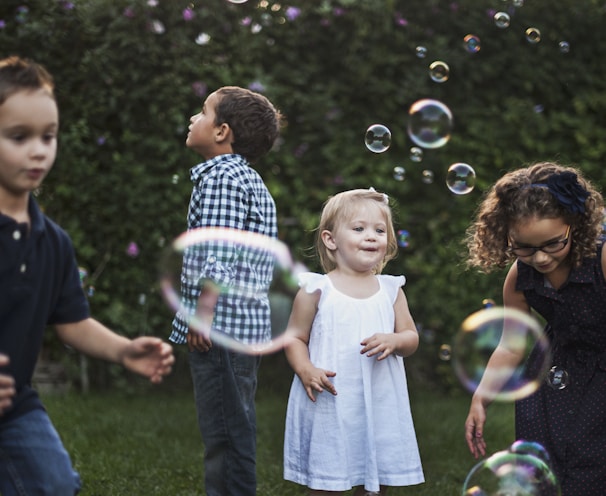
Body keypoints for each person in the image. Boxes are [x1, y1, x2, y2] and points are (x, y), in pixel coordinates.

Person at [0, 55, 175, 495]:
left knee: (56, 485)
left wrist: (123, 351)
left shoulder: (53, 242)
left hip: (13, 406)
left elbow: (72, 322)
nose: (39, 149)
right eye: (19, 137)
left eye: (48, 136)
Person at [463, 161, 606, 495]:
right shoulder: (520, 277)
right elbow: (511, 346)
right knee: (544, 464)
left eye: (553, 243)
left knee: (593, 460)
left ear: (576, 225)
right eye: (524, 247)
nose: (540, 258)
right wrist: (481, 399)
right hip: (556, 371)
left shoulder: (600, 257)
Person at [169, 86, 283, 495]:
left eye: (201, 112)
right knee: (235, 425)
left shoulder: (221, 177)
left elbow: (218, 250)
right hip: (241, 328)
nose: (192, 119)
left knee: (225, 434)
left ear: (222, 132)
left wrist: (203, 311)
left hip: (221, 328)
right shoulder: (247, 179)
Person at [283, 188, 425, 496]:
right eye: (358, 229)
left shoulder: (390, 289)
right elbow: (295, 337)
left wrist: (395, 340)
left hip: (379, 398)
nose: (371, 236)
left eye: (379, 230)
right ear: (330, 239)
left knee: (376, 477)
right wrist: (305, 368)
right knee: (326, 479)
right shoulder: (317, 289)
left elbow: (411, 337)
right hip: (331, 400)